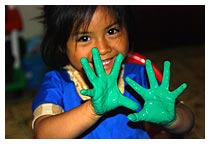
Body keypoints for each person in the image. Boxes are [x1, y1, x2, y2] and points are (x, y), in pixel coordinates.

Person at [32, 5, 194, 139]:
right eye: (84, 38)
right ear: (62, 45)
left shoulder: (140, 76)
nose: (103, 49)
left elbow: (187, 123)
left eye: (112, 31)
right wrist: (92, 110)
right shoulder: (57, 83)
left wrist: (172, 118)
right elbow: (44, 135)